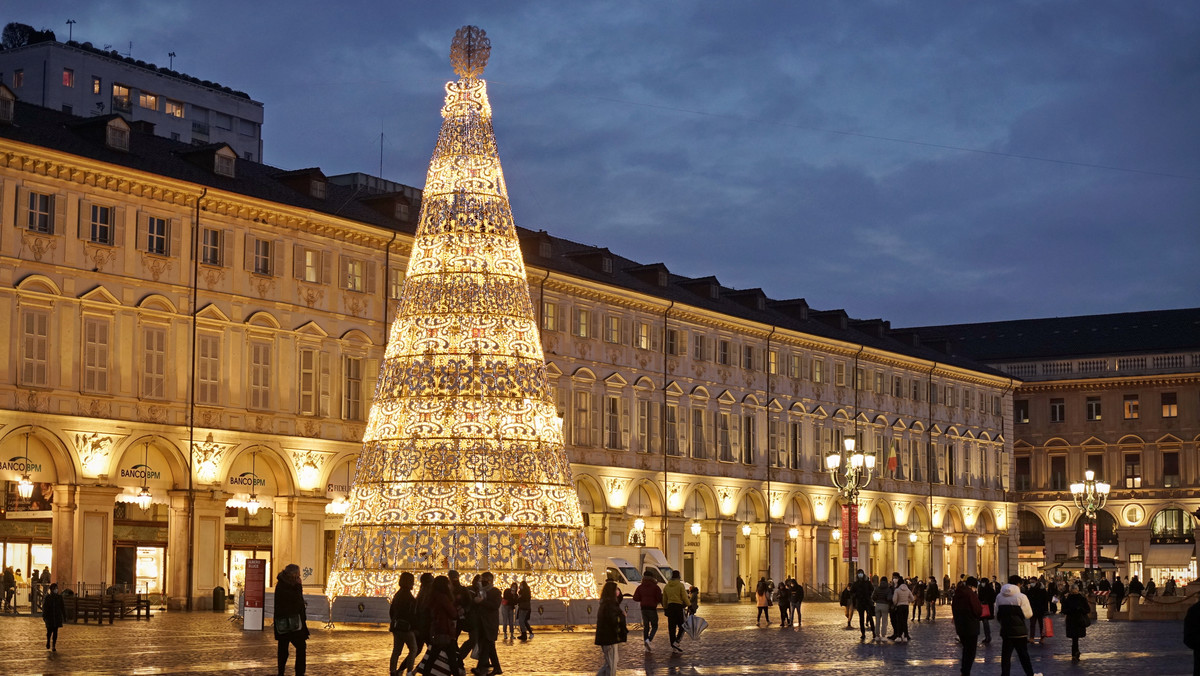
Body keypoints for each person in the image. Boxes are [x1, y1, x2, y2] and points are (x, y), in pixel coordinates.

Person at [995, 575, 1038, 676]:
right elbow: (1028, 614)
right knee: (1024, 655)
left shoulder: (999, 596)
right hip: (1020, 632)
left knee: (1005, 656)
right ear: (1019, 584)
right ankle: (1029, 674)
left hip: (1006, 630)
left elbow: (996, 614)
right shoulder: (1021, 597)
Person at [422, 576, 464, 676]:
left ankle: (425, 673)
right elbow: (453, 613)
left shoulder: (433, 596)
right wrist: (459, 611)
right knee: (451, 659)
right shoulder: (443, 597)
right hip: (445, 630)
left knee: (434, 656)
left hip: (438, 629)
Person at [273, 563, 309, 676]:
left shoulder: (280, 585)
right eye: (298, 575)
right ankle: (299, 672)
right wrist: (299, 587)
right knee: (300, 647)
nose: (299, 577)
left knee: (283, 649)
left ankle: (281, 672)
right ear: (293, 574)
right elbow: (297, 602)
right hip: (293, 623)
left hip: (282, 622)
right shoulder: (290, 586)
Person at [471, 571, 502, 676]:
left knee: (486, 646)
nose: (482, 582)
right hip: (481, 622)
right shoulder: (480, 591)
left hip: (490, 623)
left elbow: (495, 605)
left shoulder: (496, 592)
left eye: (484, 580)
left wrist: (481, 602)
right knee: (489, 647)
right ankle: (497, 668)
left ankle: (480, 668)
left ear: (489, 580)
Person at [594, 580, 627, 676]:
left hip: (608, 637)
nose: (618, 591)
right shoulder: (609, 605)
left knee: (611, 662)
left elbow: (619, 599)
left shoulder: (607, 602)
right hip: (609, 637)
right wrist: (622, 616)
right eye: (616, 589)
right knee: (611, 664)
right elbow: (613, 620)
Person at [951, 576, 982, 676]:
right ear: (973, 586)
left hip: (960, 626)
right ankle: (965, 671)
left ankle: (964, 670)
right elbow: (977, 610)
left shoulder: (957, 594)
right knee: (971, 651)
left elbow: (954, 608)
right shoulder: (971, 595)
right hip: (971, 625)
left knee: (966, 648)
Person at [389, 572, 418, 676]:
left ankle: (392, 671)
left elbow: (391, 611)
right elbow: (412, 614)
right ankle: (409, 671)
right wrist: (414, 625)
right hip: (406, 627)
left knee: (396, 651)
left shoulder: (398, 594)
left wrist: (394, 621)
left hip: (396, 626)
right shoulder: (409, 597)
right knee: (413, 649)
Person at [1061, 582, 1091, 662]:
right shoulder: (1068, 599)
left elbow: (1088, 610)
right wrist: (1071, 610)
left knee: (1075, 638)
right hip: (1072, 620)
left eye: (1075, 590)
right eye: (1073, 590)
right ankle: (1075, 653)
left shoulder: (1081, 598)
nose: (1074, 592)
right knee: (1075, 638)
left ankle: (1075, 653)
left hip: (1079, 620)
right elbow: (1063, 610)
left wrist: (1080, 609)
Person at [632, 570, 662, 648]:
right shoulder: (655, 587)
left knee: (646, 626)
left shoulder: (640, 587)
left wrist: (642, 599)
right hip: (652, 608)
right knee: (654, 625)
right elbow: (659, 598)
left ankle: (646, 641)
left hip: (643, 608)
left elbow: (635, 598)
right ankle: (649, 639)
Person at [663, 570, 687, 652]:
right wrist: (689, 604)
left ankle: (673, 646)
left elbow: (664, 599)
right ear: (678, 576)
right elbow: (684, 597)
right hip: (678, 607)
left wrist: (665, 608)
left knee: (671, 627)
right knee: (682, 626)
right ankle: (677, 641)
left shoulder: (667, 586)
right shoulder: (680, 585)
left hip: (670, 607)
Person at [414, 573, 435, 654]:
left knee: (417, 650)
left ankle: (403, 667)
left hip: (421, 626)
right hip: (426, 626)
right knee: (432, 650)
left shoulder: (421, 594)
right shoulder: (429, 594)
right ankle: (424, 666)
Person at [852, 569, 875, 639]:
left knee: (870, 617)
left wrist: (869, 595)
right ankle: (863, 633)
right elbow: (852, 592)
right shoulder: (856, 583)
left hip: (867, 601)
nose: (860, 575)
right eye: (859, 573)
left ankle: (874, 632)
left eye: (861, 573)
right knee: (861, 619)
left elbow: (872, 589)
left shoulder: (867, 582)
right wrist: (856, 596)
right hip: (860, 602)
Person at [42, 582, 65, 651]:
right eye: (55, 589)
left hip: (57, 617)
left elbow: (62, 607)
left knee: (55, 631)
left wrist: (64, 615)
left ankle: (54, 645)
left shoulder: (59, 597)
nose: (56, 590)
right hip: (50, 617)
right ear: (52, 589)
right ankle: (48, 641)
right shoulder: (48, 598)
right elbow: (45, 607)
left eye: (57, 588)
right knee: (49, 631)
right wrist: (44, 616)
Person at [890, 574, 912, 641]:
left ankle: (899, 636)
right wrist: (907, 601)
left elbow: (894, 600)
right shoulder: (907, 589)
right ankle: (905, 636)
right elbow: (912, 598)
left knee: (899, 621)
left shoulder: (897, 590)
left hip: (899, 606)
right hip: (906, 606)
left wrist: (896, 603)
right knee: (905, 621)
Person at [872, 576, 892, 642]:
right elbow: (889, 598)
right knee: (884, 621)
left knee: (877, 621)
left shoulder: (877, 588)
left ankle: (877, 635)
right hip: (885, 605)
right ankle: (883, 635)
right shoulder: (888, 589)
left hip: (877, 605)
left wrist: (876, 599)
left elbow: (873, 596)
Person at [978, 576, 996, 645]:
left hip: (987, 608)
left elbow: (993, 598)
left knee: (985, 622)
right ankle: (987, 636)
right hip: (983, 607)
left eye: (983, 582)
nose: (982, 583)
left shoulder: (990, 589)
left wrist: (986, 601)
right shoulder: (981, 589)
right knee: (985, 622)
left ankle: (988, 637)